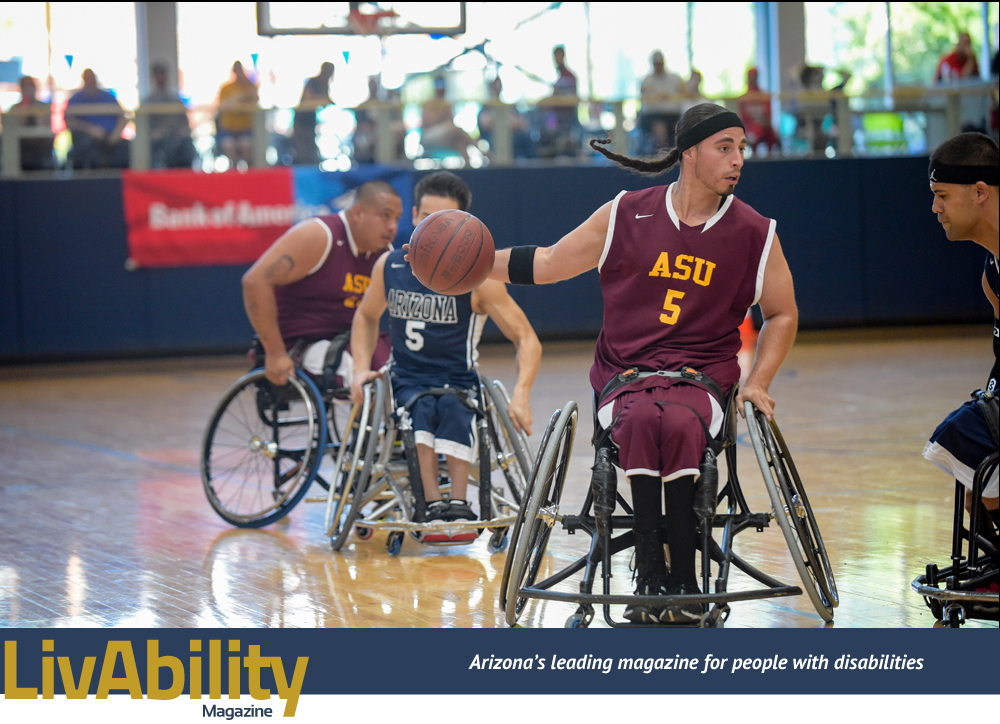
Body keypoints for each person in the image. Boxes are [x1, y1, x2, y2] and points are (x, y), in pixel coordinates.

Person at [484, 103, 798, 623]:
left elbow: (782, 313)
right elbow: (547, 262)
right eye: (725, 147)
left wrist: (759, 381)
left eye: (741, 148)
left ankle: (682, 578)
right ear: (690, 153)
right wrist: (472, 263)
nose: (739, 159)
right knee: (639, 419)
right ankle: (651, 570)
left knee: (675, 421)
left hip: (702, 379)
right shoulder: (627, 212)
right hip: (625, 376)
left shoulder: (754, 231)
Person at [351, 171, 541, 533]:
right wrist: (361, 367)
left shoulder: (478, 281)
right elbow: (365, 317)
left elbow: (527, 339)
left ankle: (458, 502)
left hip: (458, 379)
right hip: (405, 378)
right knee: (419, 408)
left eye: (445, 224)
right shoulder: (389, 266)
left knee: (455, 407)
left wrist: (521, 394)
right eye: (427, 219)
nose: (431, 231)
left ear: (464, 227)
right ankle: (430, 502)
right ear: (414, 216)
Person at [241, 180, 402, 390]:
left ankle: (386, 422)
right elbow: (255, 281)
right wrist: (275, 353)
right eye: (385, 216)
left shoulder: (384, 254)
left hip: (349, 339)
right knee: (360, 375)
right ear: (357, 212)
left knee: (397, 369)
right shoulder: (320, 235)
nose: (392, 226)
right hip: (303, 343)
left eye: (397, 219)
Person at [922, 132, 999, 529]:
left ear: (980, 191)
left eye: (943, 195)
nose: (935, 208)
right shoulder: (992, 274)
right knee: (976, 475)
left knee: (962, 431)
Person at [65, 69, 129, 169]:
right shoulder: (76, 99)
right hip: (87, 138)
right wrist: (90, 129)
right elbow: (69, 121)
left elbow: (123, 118)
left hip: (110, 137)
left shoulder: (108, 97)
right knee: (87, 148)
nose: (91, 81)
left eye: (92, 78)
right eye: (88, 79)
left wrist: (115, 135)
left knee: (126, 148)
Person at [141, 62, 196, 169]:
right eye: (158, 74)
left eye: (163, 74)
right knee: (165, 145)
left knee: (186, 144)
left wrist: (182, 132)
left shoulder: (175, 99)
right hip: (158, 139)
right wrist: (153, 133)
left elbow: (185, 123)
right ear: (154, 77)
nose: (161, 77)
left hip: (177, 136)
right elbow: (144, 126)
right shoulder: (148, 101)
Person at [420, 76, 479, 163]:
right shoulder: (429, 103)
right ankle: (481, 149)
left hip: (445, 136)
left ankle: (468, 168)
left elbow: (450, 122)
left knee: (460, 142)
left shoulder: (446, 104)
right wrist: (441, 113)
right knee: (455, 129)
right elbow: (429, 122)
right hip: (428, 136)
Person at [216, 61, 259, 167]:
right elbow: (221, 107)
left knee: (246, 145)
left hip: (245, 130)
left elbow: (255, 99)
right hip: (228, 130)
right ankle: (233, 170)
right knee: (229, 146)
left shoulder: (249, 87)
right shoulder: (226, 89)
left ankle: (249, 171)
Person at [639, 51, 684, 150]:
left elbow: (683, 96)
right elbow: (646, 103)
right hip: (653, 116)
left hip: (673, 115)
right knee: (660, 128)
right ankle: (663, 155)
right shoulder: (647, 81)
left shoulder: (675, 79)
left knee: (681, 128)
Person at [293, 62, 335, 165]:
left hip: (310, 122)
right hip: (302, 122)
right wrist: (323, 100)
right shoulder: (314, 82)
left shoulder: (324, 84)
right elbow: (309, 98)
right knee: (303, 151)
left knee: (311, 150)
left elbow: (327, 100)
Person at [12, 76, 54, 171]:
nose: (28, 89)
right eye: (25, 86)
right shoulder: (15, 109)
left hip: (41, 147)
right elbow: (12, 130)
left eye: (30, 86)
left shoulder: (43, 107)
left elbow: (48, 127)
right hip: (22, 149)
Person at [738, 68, 780, 156]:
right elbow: (742, 119)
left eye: (755, 76)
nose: (753, 79)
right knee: (754, 135)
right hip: (750, 129)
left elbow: (768, 117)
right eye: (751, 76)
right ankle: (754, 156)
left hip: (764, 127)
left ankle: (770, 158)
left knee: (771, 136)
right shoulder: (744, 98)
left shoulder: (764, 96)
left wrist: (764, 124)